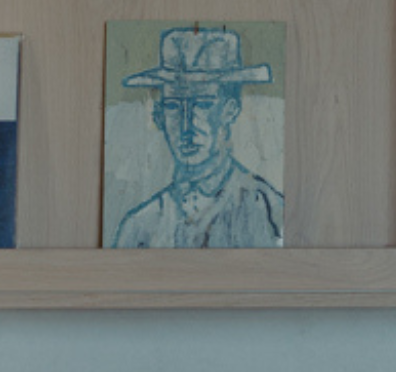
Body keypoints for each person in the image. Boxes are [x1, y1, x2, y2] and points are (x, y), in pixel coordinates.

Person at [113, 27, 283, 247]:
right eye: (174, 106)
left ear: (229, 110)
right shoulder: (139, 227)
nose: (187, 124)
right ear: (160, 116)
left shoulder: (270, 212)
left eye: (202, 104)